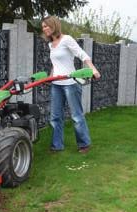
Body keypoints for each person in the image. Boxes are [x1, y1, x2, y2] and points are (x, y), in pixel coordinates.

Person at [41, 16, 101, 154]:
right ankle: (57, 146)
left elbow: (82, 54)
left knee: (76, 115)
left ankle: (84, 144)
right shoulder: (51, 44)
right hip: (56, 84)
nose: (44, 29)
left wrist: (93, 69)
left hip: (70, 83)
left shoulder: (66, 39)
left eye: (46, 26)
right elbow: (56, 65)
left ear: (53, 25)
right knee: (55, 117)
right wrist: (50, 77)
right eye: (43, 27)